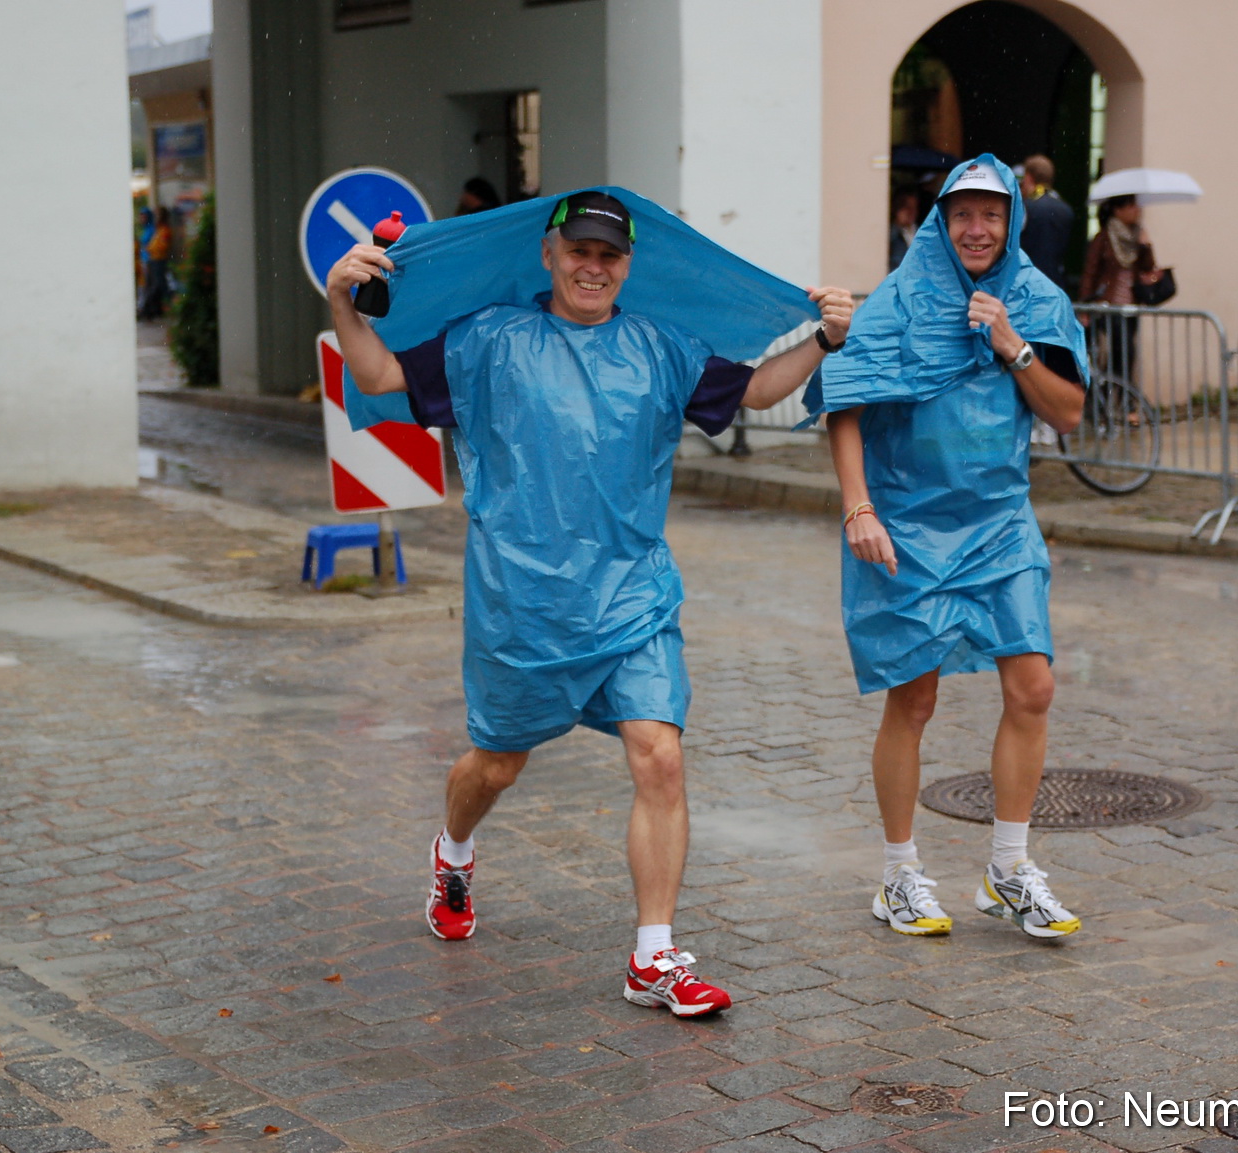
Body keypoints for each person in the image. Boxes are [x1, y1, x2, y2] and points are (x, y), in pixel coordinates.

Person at [326, 190, 855, 1016]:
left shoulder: (660, 346)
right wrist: (339, 299)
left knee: (661, 754)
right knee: (496, 763)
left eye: (609, 255)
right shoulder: (490, 339)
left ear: (627, 266)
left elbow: (754, 392)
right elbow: (380, 371)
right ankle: (454, 851)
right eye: (580, 251)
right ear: (549, 254)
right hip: (519, 601)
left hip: (631, 595)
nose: (593, 267)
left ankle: (654, 955)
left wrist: (824, 338)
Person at [812, 156, 1088, 942]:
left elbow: (1067, 413)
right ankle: (898, 875)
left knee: (1032, 687)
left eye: (991, 215)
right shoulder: (899, 300)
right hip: (909, 524)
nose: (977, 229)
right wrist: (858, 506)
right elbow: (846, 402)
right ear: (941, 219)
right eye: (962, 214)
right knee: (916, 698)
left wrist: (1012, 344)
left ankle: (1008, 870)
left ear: (1012, 222)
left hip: (1000, 521)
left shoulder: (1034, 299)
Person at [1079, 195, 1160, 387]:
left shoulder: (1137, 236)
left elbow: (1148, 267)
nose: (1136, 210)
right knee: (1121, 352)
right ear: (1118, 210)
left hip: (1131, 305)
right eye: (1131, 206)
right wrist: (1084, 307)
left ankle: (1115, 399)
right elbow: (1090, 272)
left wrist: (1146, 246)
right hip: (1108, 305)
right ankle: (1116, 401)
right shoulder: (1104, 237)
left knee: (1124, 355)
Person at [1018, 154, 1073, 290]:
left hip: (1027, 282)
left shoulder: (1025, 207)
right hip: (1056, 282)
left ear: (1028, 177)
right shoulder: (1066, 209)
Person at [138, 206, 173, 320]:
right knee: (156, 285)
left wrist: (150, 249)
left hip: (157, 260)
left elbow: (160, 246)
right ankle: (153, 309)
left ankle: (148, 309)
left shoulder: (163, 230)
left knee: (157, 286)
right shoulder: (159, 230)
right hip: (153, 259)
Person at [889, 186, 920, 271]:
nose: (912, 212)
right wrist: (898, 224)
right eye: (907, 208)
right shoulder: (891, 234)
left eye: (914, 208)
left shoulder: (921, 233)